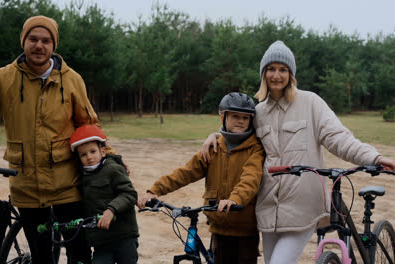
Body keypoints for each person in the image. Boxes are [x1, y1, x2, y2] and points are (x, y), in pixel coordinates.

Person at [0, 15, 116, 263]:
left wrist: (110, 158)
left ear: (53, 45)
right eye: (33, 39)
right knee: (40, 256)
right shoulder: (3, 78)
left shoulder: (71, 80)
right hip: (27, 185)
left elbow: (89, 125)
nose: (39, 45)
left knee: (78, 251)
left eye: (46, 40)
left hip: (67, 185)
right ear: (23, 41)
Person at [200, 40, 395, 264]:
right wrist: (215, 137)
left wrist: (374, 157)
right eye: (271, 69)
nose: (276, 75)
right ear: (263, 73)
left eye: (283, 69)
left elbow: (338, 138)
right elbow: (239, 135)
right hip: (268, 209)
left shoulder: (311, 102)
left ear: (291, 74)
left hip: (302, 206)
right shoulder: (258, 111)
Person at [137, 92, 265, 264]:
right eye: (235, 116)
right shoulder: (212, 148)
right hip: (218, 227)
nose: (240, 121)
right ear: (222, 117)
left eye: (245, 117)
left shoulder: (255, 149)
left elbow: (251, 178)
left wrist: (234, 199)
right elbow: (185, 173)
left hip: (245, 229)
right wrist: (155, 190)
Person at [70, 125, 139, 264]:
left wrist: (111, 210)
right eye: (83, 154)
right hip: (101, 242)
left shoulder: (113, 169)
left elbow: (129, 194)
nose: (89, 157)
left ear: (102, 151)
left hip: (124, 236)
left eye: (93, 151)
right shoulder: (81, 178)